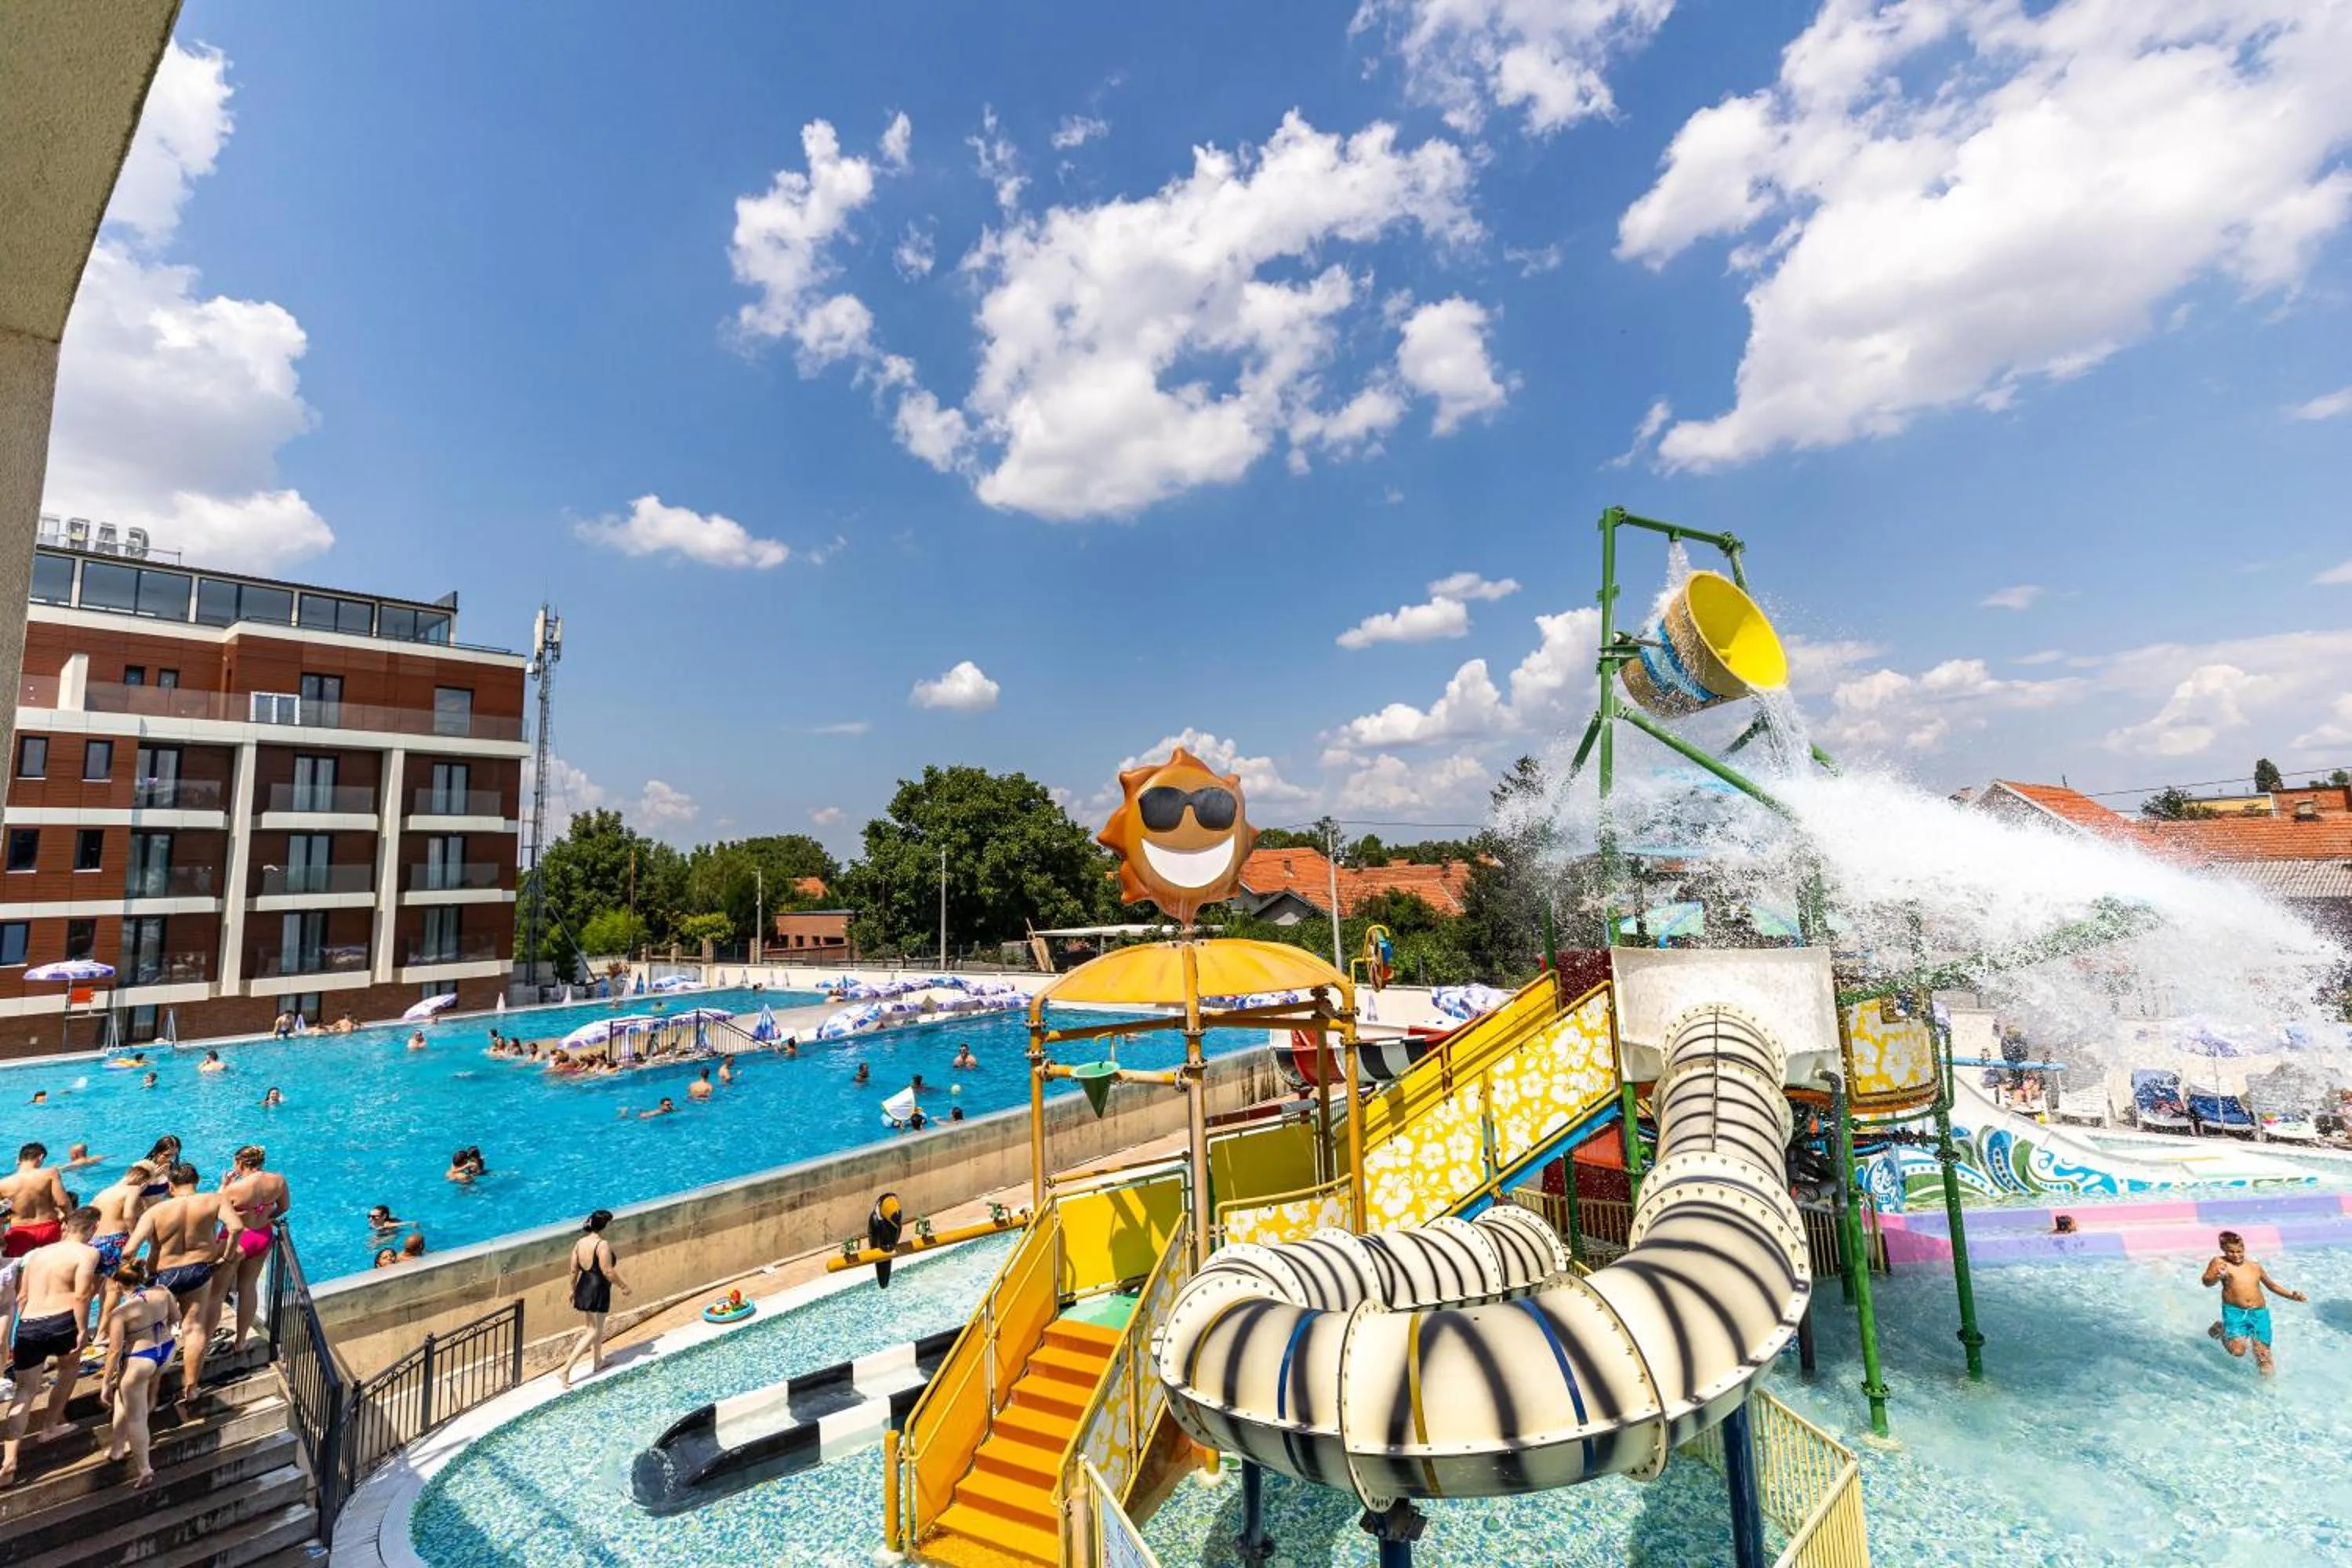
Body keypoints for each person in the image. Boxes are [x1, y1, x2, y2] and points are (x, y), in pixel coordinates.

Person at [0, 1207, 100, 1486]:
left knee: (23, 1392)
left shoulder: (37, 1254)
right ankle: (50, 1426)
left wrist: (26, 1323)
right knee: (68, 1371)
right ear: (92, 1230)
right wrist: (81, 1330)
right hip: (63, 1320)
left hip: (30, 1324)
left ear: (66, 1227)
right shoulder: (87, 1253)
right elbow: (81, 1294)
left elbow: (21, 1297)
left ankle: (9, 1459)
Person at [124, 1163, 234, 1408]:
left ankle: (151, 1394)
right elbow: (235, 1227)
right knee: (194, 1327)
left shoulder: (156, 1212)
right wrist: (225, 1256)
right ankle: (192, 1388)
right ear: (196, 1182)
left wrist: (134, 1269)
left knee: (156, 1330)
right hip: (199, 1270)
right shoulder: (214, 1200)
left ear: (171, 1186)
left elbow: (130, 1249)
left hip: (163, 1274)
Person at [100, 1261, 177, 1490]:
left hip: (140, 1360)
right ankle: (116, 1448)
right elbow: (175, 1318)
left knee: (137, 1416)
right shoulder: (163, 1292)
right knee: (122, 1396)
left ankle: (144, 1468)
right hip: (166, 1351)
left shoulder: (120, 1313)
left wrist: (105, 1382)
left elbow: (114, 1352)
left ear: (116, 1283)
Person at [2204, 1229, 2307, 1376]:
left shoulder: (2254, 1267)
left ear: (2244, 1248)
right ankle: (2221, 1329)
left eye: (2239, 1251)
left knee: (2263, 1354)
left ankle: (2268, 1388)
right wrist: (2217, 1276)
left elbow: (2272, 1286)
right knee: (2238, 1351)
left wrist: (2292, 1295)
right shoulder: (2220, 1263)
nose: (2236, 1255)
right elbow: (2206, 1282)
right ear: (2223, 1250)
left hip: (2259, 1313)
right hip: (2236, 1313)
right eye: (2231, 1252)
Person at [220, 1145, 289, 1349]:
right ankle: (241, 1341)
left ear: (240, 1163)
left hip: (238, 1239)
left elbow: (217, 1212)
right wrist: (267, 1217)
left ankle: (205, 1338)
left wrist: (224, 1186)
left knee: (218, 1291)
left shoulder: (235, 1189)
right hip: (262, 1236)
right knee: (248, 1287)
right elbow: (284, 1207)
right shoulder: (278, 1181)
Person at [559, 1210, 630, 1388]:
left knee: (597, 1327)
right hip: (597, 1289)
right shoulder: (602, 1244)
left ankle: (598, 1361)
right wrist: (624, 1286)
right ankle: (565, 1370)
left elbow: (574, 1270)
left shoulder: (580, 1243)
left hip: (584, 1286)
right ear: (605, 1226)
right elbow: (608, 1271)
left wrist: (572, 1289)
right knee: (591, 1331)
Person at [89, 1162, 152, 1324]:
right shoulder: (133, 1189)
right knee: (114, 1288)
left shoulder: (104, 1192)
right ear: (143, 1181)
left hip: (95, 1241)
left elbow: (90, 1215)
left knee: (92, 1289)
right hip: (115, 1240)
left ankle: (93, 1327)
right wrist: (134, 1237)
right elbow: (129, 1215)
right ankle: (103, 1333)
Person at [1, 1144, 70, 1258]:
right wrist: (69, 1219)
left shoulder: (3, 1184)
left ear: (18, 1160)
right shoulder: (50, 1173)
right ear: (41, 1157)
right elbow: (62, 1202)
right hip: (48, 1228)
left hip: (19, 1233)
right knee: (51, 1266)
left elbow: (2, 1216)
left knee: (20, 1271)